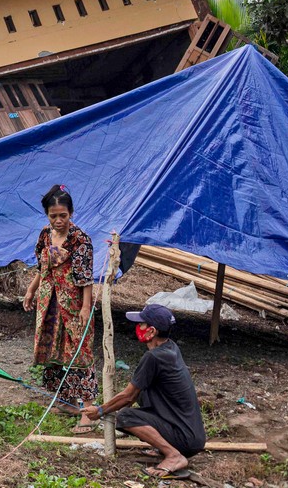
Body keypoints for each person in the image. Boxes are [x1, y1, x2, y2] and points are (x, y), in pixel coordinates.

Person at [81, 304, 206, 480]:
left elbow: (127, 397)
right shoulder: (170, 348)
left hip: (185, 438)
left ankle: (173, 455)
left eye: (142, 324)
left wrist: (100, 410)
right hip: (192, 435)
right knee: (142, 391)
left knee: (126, 416)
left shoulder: (154, 357)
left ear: (152, 331)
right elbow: (135, 393)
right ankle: (163, 447)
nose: (138, 327)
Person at [22, 184, 97, 431]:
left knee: (79, 350)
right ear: (47, 215)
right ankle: (67, 401)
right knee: (53, 347)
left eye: (62, 215)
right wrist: (31, 290)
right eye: (53, 216)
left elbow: (86, 278)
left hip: (73, 302)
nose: (58, 221)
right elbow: (42, 268)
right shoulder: (45, 235)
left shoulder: (80, 239)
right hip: (49, 299)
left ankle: (88, 409)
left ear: (71, 213)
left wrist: (86, 308)